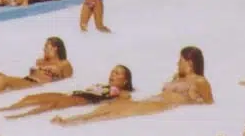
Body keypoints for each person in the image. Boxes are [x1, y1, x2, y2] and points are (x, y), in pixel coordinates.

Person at [52, 46, 213, 125]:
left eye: (181, 60)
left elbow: (210, 105)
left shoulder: (200, 81)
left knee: (117, 113)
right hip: (152, 100)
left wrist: (194, 99)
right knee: (110, 107)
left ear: (190, 63)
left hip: (162, 106)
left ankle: (73, 123)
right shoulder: (177, 77)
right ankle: (72, 120)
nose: (177, 63)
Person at [0, 65, 134, 118]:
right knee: (31, 97)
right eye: (112, 72)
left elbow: (123, 101)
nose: (112, 74)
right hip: (73, 95)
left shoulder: (121, 92)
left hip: (82, 100)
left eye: (117, 73)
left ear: (125, 81)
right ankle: (3, 109)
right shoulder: (104, 85)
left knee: (52, 105)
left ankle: (20, 116)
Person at [0, 37, 73, 97]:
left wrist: (52, 72)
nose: (43, 49)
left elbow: (67, 81)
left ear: (55, 48)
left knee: (4, 79)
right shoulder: (40, 61)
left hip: (36, 84)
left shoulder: (64, 64)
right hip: (26, 81)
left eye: (46, 47)